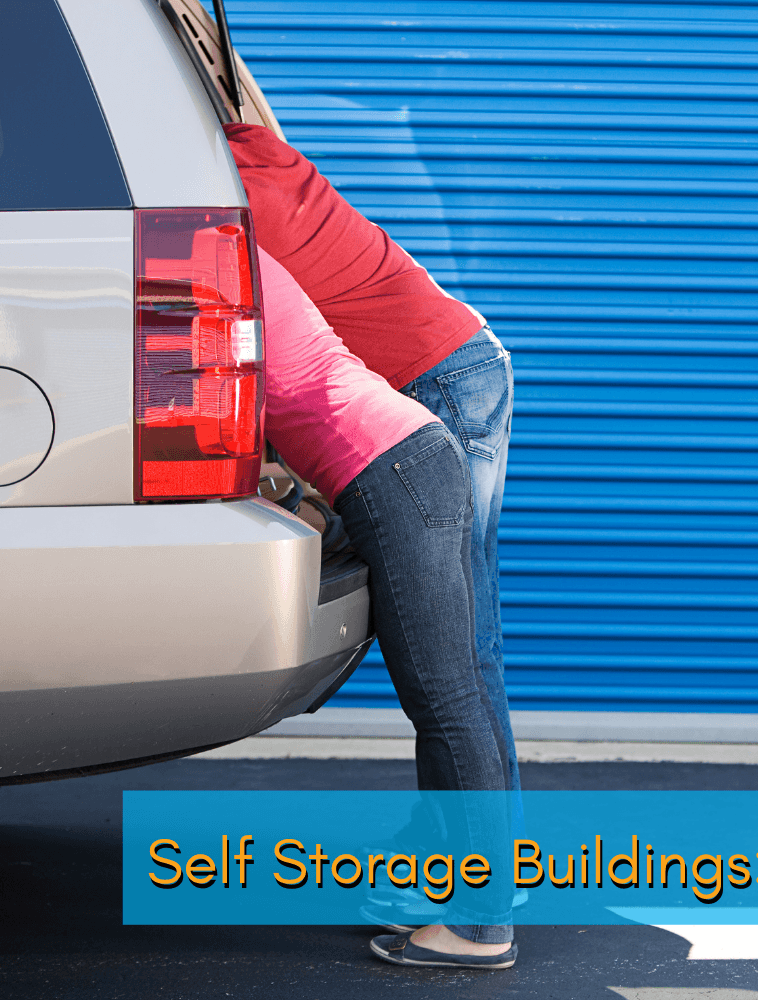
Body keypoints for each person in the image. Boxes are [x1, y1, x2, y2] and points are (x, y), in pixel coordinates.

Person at [222, 123, 519, 816]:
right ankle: (469, 876)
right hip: (449, 371)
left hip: (435, 382)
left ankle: (479, 899)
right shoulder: (251, 151)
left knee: (458, 669)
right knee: (464, 663)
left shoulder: (218, 200)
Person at [254, 246, 516, 968]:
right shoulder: (248, 261)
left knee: (445, 694)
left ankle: (482, 923)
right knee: (453, 690)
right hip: (405, 461)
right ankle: (474, 897)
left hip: (397, 475)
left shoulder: (222, 273)